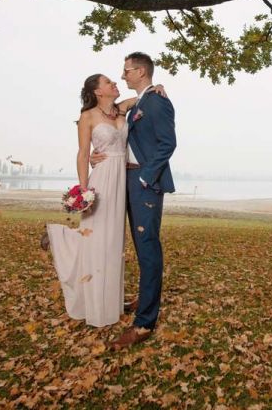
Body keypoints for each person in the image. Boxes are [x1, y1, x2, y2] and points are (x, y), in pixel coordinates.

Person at [44, 74, 166, 328]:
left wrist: (158, 88)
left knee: (112, 241)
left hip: (123, 181)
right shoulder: (88, 116)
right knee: (95, 237)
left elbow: (143, 97)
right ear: (98, 92)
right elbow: (82, 153)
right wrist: (83, 190)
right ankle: (59, 239)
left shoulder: (121, 109)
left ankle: (109, 300)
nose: (115, 83)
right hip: (101, 181)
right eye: (109, 82)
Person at [109, 52, 177, 350]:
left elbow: (168, 143)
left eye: (126, 71)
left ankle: (145, 322)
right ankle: (143, 297)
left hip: (144, 183)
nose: (123, 76)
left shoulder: (157, 101)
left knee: (148, 247)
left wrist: (144, 178)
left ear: (140, 71)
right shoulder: (142, 100)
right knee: (139, 247)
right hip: (126, 180)